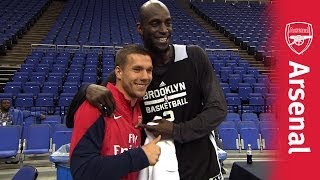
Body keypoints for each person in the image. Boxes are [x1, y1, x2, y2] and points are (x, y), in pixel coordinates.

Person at [67, 1, 227, 179]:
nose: (164, 30)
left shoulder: (193, 56)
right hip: (158, 168)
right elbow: (75, 117)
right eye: (155, 23)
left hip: (202, 166)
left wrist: (176, 131)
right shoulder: (135, 71)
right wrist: (86, 89)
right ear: (140, 28)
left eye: (168, 23)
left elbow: (218, 109)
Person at [69, 45, 161, 180]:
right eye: (137, 69)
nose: (145, 77)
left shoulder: (138, 107)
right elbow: (82, 171)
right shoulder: (95, 106)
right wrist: (141, 156)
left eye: (149, 70)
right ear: (118, 72)